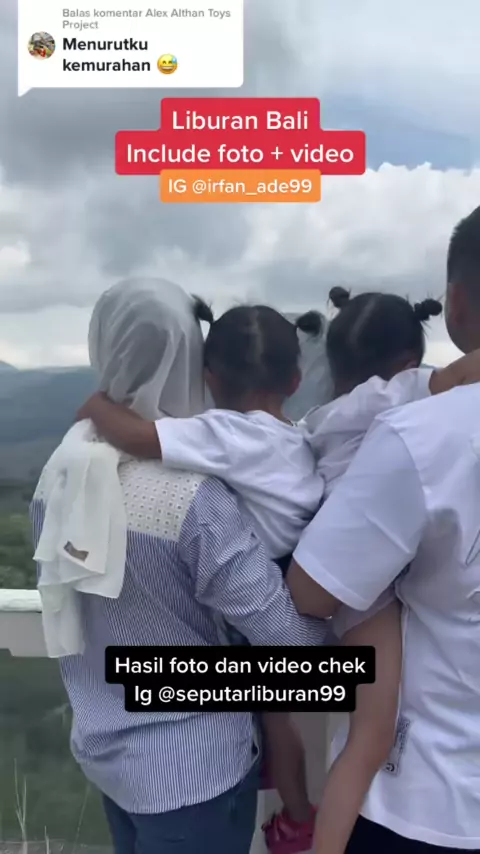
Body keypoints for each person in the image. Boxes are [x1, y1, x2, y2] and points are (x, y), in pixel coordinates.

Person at [77, 292, 480, 854]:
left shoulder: (292, 427)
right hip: (347, 581)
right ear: (293, 380)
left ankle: (295, 816)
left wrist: (96, 406)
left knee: (285, 717)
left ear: (211, 378)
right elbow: (457, 376)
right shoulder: (365, 410)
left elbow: (143, 438)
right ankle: (310, 829)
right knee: (371, 736)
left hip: (286, 583)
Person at [31, 278, 329, 854]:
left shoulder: (60, 471)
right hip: (195, 770)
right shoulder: (194, 495)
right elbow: (292, 643)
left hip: (105, 751)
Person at [287, 206, 480, 853]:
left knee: (369, 735)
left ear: (457, 303)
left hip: (429, 803)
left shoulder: (411, 430)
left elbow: (311, 594)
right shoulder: (409, 402)